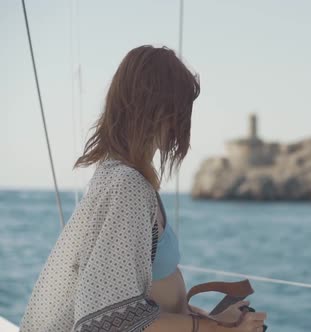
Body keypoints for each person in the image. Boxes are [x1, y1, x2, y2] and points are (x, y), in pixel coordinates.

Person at [19, 45, 267, 332]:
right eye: (180, 107)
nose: (183, 121)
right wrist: (218, 330)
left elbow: (142, 301)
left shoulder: (127, 179)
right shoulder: (127, 187)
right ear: (158, 109)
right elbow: (111, 321)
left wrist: (217, 320)